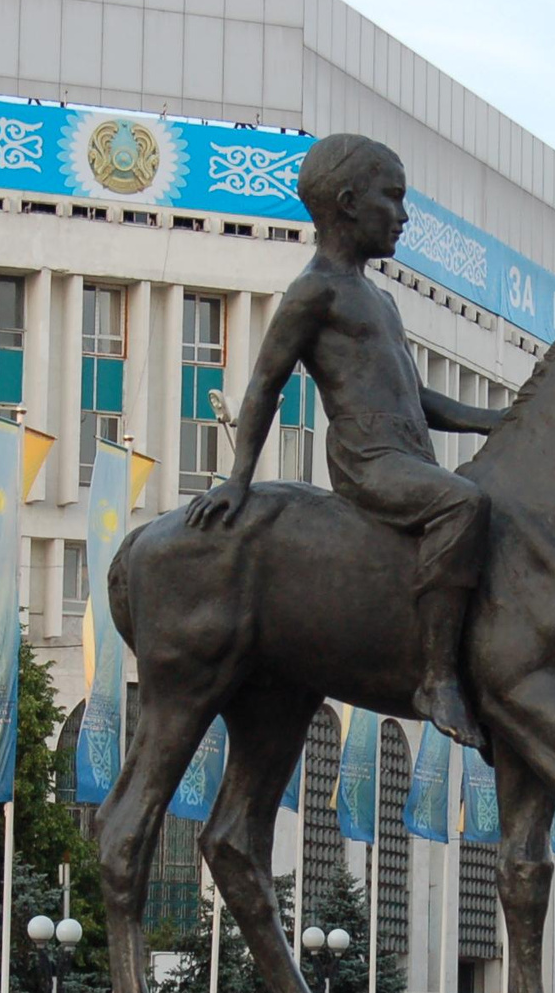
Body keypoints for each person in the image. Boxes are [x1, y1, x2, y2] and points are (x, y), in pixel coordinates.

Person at [189, 132, 507, 749]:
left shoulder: (382, 300)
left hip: (409, 457)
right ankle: (437, 678)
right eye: (393, 198)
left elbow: (422, 400)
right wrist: (239, 479)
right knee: (465, 503)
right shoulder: (316, 291)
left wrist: (493, 419)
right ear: (346, 202)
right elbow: (263, 386)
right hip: (368, 462)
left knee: (471, 500)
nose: (404, 216)